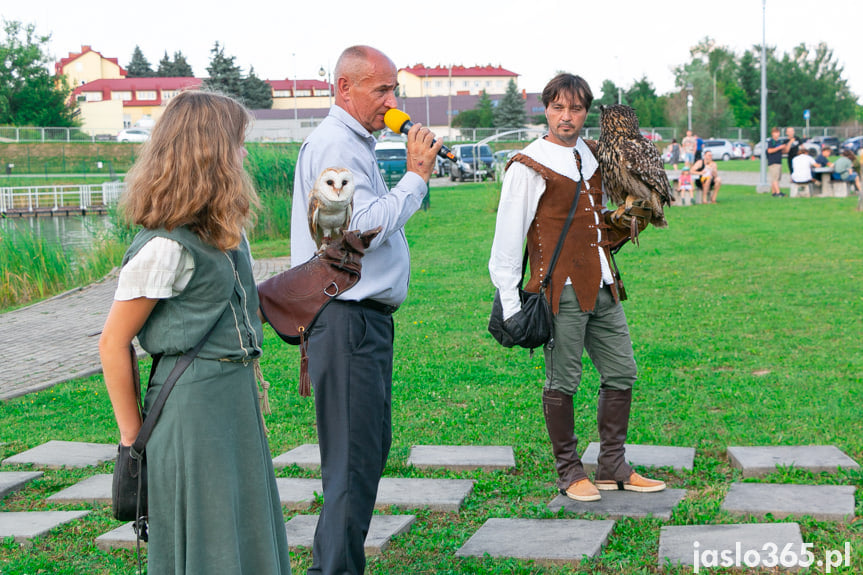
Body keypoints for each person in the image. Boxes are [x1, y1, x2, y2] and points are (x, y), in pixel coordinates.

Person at [99, 90, 292, 574]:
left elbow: (225, 306)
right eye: (239, 144)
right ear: (212, 152)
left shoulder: (223, 232)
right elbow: (112, 343)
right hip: (192, 410)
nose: (245, 155)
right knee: (209, 539)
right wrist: (133, 441)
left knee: (243, 525)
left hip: (233, 398)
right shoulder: (165, 247)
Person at [290, 45, 440, 575]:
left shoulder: (355, 143)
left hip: (360, 323)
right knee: (353, 465)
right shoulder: (336, 143)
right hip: (347, 320)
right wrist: (416, 176)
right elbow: (355, 233)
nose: (392, 100)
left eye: (394, 88)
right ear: (344, 89)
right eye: (381, 89)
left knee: (365, 456)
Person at [488, 73, 665, 503]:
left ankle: (612, 466)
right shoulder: (528, 164)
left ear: (586, 112)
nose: (567, 117)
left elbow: (596, 218)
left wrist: (625, 221)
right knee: (563, 381)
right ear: (546, 109)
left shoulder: (591, 153)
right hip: (559, 289)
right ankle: (569, 471)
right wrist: (511, 303)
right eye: (558, 108)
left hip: (604, 282)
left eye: (576, 109)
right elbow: (508, 240)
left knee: (622, 372)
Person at [766, 127, 786, 197]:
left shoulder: (778, 142)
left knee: (777, 177)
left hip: (778, 161)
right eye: (775, 132)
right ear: (772, 133)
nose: (777, 134)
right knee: (775, 178)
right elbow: (769, 151)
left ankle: (774, 192)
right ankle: (778, 193)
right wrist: (779, 148)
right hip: (773, 162)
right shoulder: (771, 141)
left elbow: (781, 151)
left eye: (778, 132)